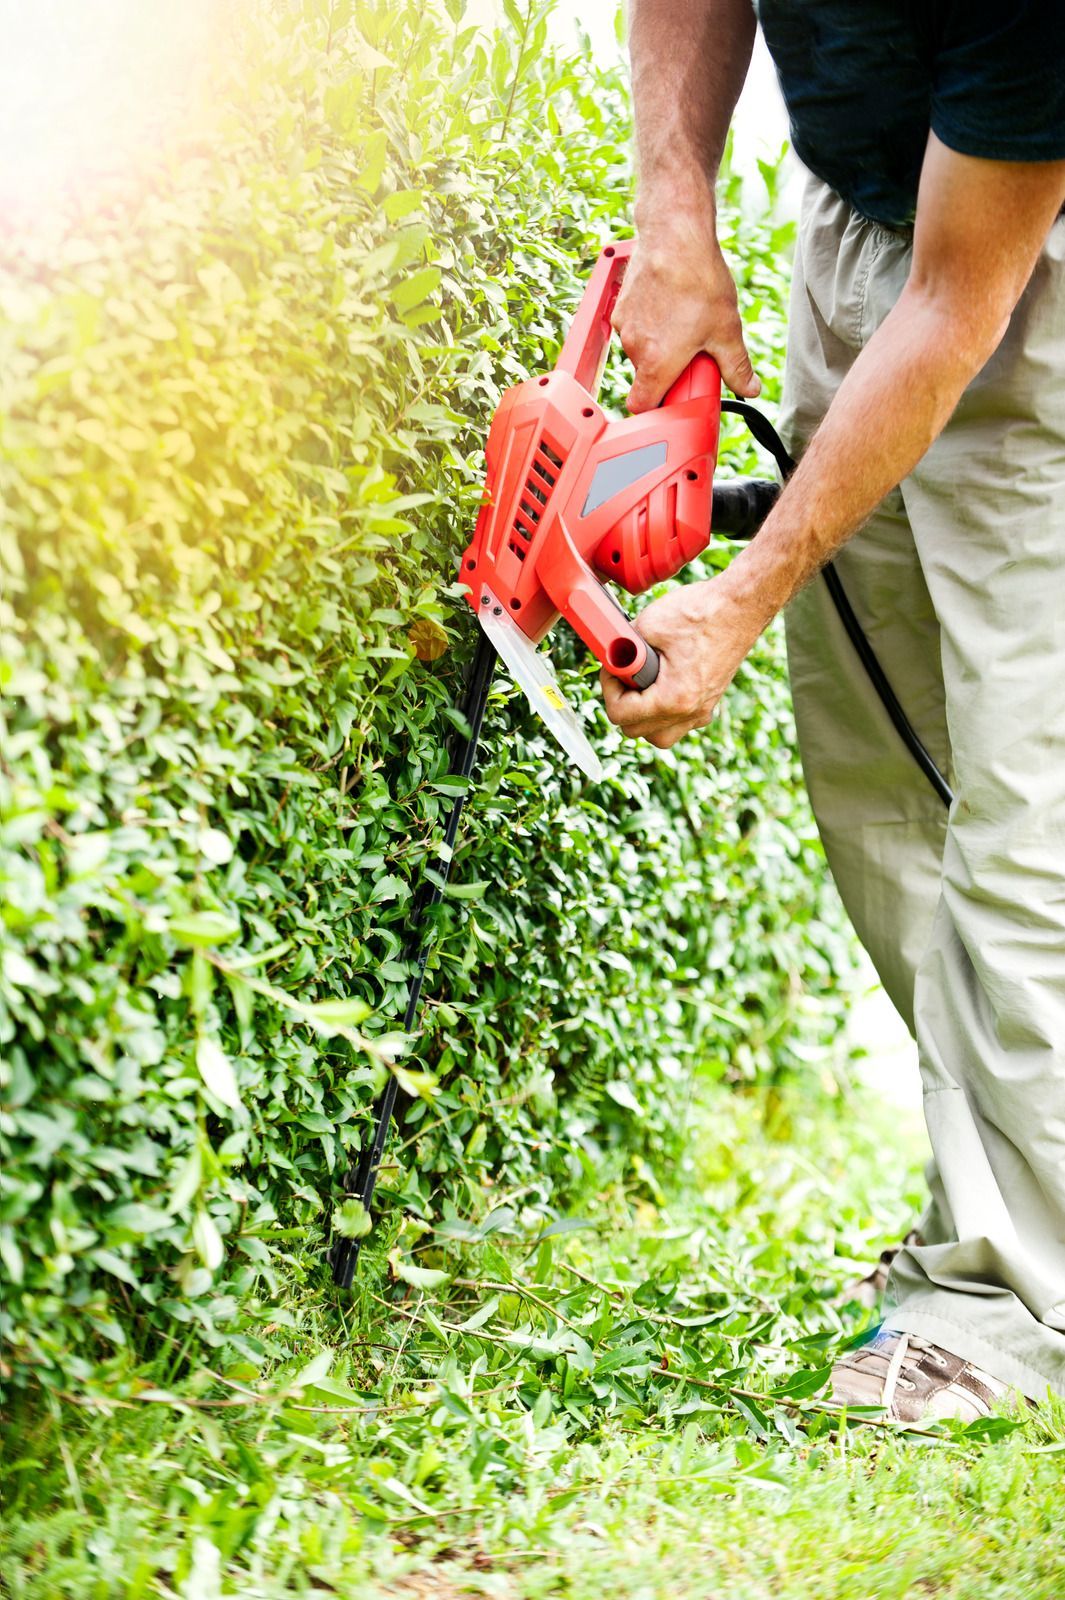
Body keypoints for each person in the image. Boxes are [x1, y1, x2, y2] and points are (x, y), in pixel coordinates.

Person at [604, 0, 1065, 1421]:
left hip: (1019, 273)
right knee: (876, 785)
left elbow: (959, 300)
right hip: (863, 234)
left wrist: (738, 594)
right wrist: (673, 214)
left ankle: (1002, 1301)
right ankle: (1008, 1206)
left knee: (1020, 806)